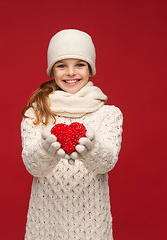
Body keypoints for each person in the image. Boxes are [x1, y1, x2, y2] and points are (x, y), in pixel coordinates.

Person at [21, 29, 123, 240]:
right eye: (61, 65)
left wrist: (91, 148)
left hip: (92, 223)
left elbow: (106, 163)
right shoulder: (36, 112)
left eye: (79, 64)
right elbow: (33, 166)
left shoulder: (109, 114)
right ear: (52, 71)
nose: (70, 72)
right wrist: (45, 149)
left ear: (91, 69)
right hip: (46, 222)